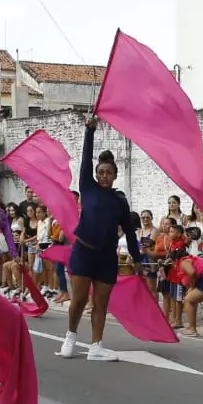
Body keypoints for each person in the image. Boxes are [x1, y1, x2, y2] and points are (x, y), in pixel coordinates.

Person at [60, 116, 142, 362]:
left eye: (109, 173)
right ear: (95, 174)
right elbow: (86, 158)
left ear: (115, 175)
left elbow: (128, 231)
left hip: (106, 257)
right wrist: (89, 130)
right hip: (83, 253)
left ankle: (96, 346)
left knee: (101, 303)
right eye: (101, 172)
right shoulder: (88, 186)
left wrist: (137, 259)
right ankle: (70, 338)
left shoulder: (120, 200)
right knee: (79, 299)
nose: (105, 175)